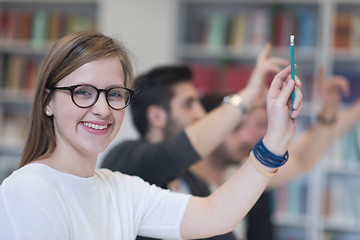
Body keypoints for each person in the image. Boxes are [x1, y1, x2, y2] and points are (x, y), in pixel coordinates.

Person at [0, 31, 303, 240]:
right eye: (83, 92)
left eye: (114, 94)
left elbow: (215, 214)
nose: (102, 109)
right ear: (47, 101)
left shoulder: (121, 190)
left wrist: (275, 139)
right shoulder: (30, 188)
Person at [101, 44, 288, 239]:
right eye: (189, 104)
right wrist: (248, 96)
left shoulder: (194, 183)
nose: (200, 114)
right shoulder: (126, 159)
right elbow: (175, 151)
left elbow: (218, 224)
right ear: (157, 116)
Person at [189, 66, 360, 240]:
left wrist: (329, 114)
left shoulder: (238, 173)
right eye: (235, 128)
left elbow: (303, 159)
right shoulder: (183, 189)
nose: (247, 137)